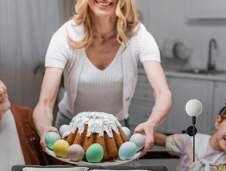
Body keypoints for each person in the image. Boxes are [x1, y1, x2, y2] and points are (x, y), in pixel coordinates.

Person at [33, 0, 172, 156]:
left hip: (115, 132)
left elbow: (162, 92)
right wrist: (44, 126)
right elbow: (45, 102)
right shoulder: (65, 35)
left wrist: (151, 124)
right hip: (70, 129)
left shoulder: (138, 36)